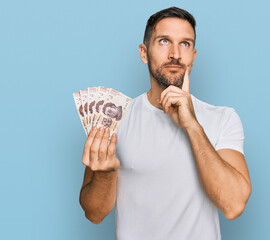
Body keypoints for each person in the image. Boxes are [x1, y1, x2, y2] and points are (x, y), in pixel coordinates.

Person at [79, 7, 252, 240]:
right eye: (163, 42)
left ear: (193, 56)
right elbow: (94, 213)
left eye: (185, 44)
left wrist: (192, 125)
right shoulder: (114, 118)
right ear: (143, 53)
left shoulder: (223, 118)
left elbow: (233, 206)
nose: (175, 54)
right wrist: (106, 174)